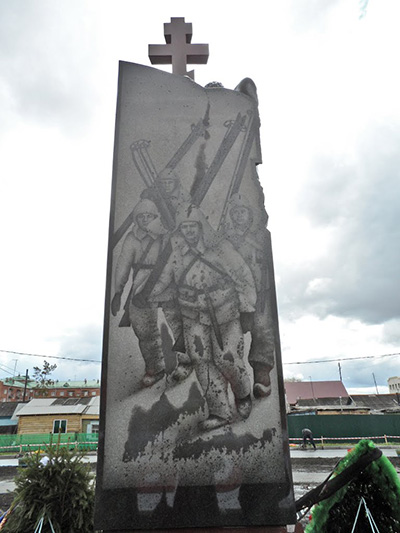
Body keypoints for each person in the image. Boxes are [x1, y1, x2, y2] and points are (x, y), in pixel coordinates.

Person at [148, 205, 257, 432]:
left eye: (192, 226)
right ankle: (219, 411)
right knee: (202, 362)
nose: (188, 231)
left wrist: (247, 308)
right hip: (192, 316)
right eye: (184, 227)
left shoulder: (220, 249)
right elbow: (165, 280)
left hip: (225, 313)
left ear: (200, 227)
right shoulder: (177, 256)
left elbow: (243, 276)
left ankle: (243, 394)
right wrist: (150, 295)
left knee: (226, 358)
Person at [111, 199, 170, 388]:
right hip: (141, 283)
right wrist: (118, 292)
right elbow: (123, 265)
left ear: (155, 217)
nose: (145, 220)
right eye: (141, 217)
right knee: (144, 329)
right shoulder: (132, 238)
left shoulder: (166, 236)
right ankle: (155, 367)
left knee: (180, 321)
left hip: (167, 279)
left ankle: (187, 360)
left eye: (149, 216)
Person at [223, 193, 275, 398]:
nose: (239, 216)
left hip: (261, 293)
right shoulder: (226, 238)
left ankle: (262, 375)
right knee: (230, 336)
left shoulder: (260, 238)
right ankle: (235, 382)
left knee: (263, 331)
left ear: (249, 215)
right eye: (235, 212)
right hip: (233, 295)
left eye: (242, 211)